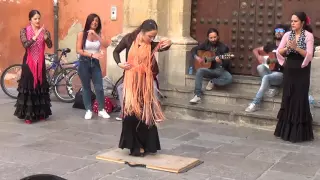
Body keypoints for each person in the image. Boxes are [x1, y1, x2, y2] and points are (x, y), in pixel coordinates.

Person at [113, 19, 172, 156]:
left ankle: (147, 144)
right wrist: (119, 64)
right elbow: (116, 52)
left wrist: (170, 42)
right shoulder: (129, 39)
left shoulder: (151, 45)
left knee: (146, 114)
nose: (151, 39)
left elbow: (164, 47)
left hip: (145, 84)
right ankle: (134, 145)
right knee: (131, 115)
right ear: (142, 32)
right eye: (149, 36)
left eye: (154, 37)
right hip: (130, 82)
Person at [274, 12, 314, 142]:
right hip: (290, 68)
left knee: (299, 97)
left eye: (295, 21)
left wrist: (296, 48)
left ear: (302, 23)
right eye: (291, 21)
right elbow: (279, 51)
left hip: (302, 69)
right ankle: (285, 131)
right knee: (288, 96)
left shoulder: (308, 36)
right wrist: (287, 48)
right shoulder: (287, 35)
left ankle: (299, 133)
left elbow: (309, 55)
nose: (292, 23)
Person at [14, 10, 52, 124]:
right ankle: (28, 115)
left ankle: (40, 113)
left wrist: (46, 38)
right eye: (35, 19)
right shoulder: (24, 31)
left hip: (40, 62)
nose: (37, 21)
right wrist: (34, 38)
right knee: (29, 86)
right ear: (30, 20)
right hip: (28, 62)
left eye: (39, 18)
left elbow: (50, 45)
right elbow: (25, 45)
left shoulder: (44, 31)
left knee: (40, 86)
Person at [245, 24, 289, 112]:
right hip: (271, 72)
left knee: (266, 77)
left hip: (281, 75)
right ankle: (272, 88)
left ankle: (256, 102)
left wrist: (281, 60)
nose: (278, 33)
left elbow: (288, 66)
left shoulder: (286, 47)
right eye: (277, 31)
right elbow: (255, 50)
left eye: (281, 31)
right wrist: (258, 57)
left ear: (285, 34)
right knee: (260, 67)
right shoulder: (270, 46)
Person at [76, 13, 110, 120]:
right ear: (89, 21)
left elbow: (106, 44)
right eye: (93, 20)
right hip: (84, 62)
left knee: (99, 87)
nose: (95, 22)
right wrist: (91, 54)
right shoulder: (82, 34)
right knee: (86, 87)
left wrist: (96, 35)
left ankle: (101, 110)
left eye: (97, 21)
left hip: (95, 64)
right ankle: (88, 110)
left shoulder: (99, 34)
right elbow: (78, 50)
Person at [189, 28, 232, 104]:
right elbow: (193, 50)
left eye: (215, 37)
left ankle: (213, 81)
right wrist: (197, 57)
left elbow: (227, 64)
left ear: (218, 37)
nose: (213, 39)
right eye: (211, 38)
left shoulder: (223, 47)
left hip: (219, 70)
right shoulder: (206, 44)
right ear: (208, 38)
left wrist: (221, 61)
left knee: (229, 78)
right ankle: (197, 95)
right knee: (199, 71)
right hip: (208, 70)